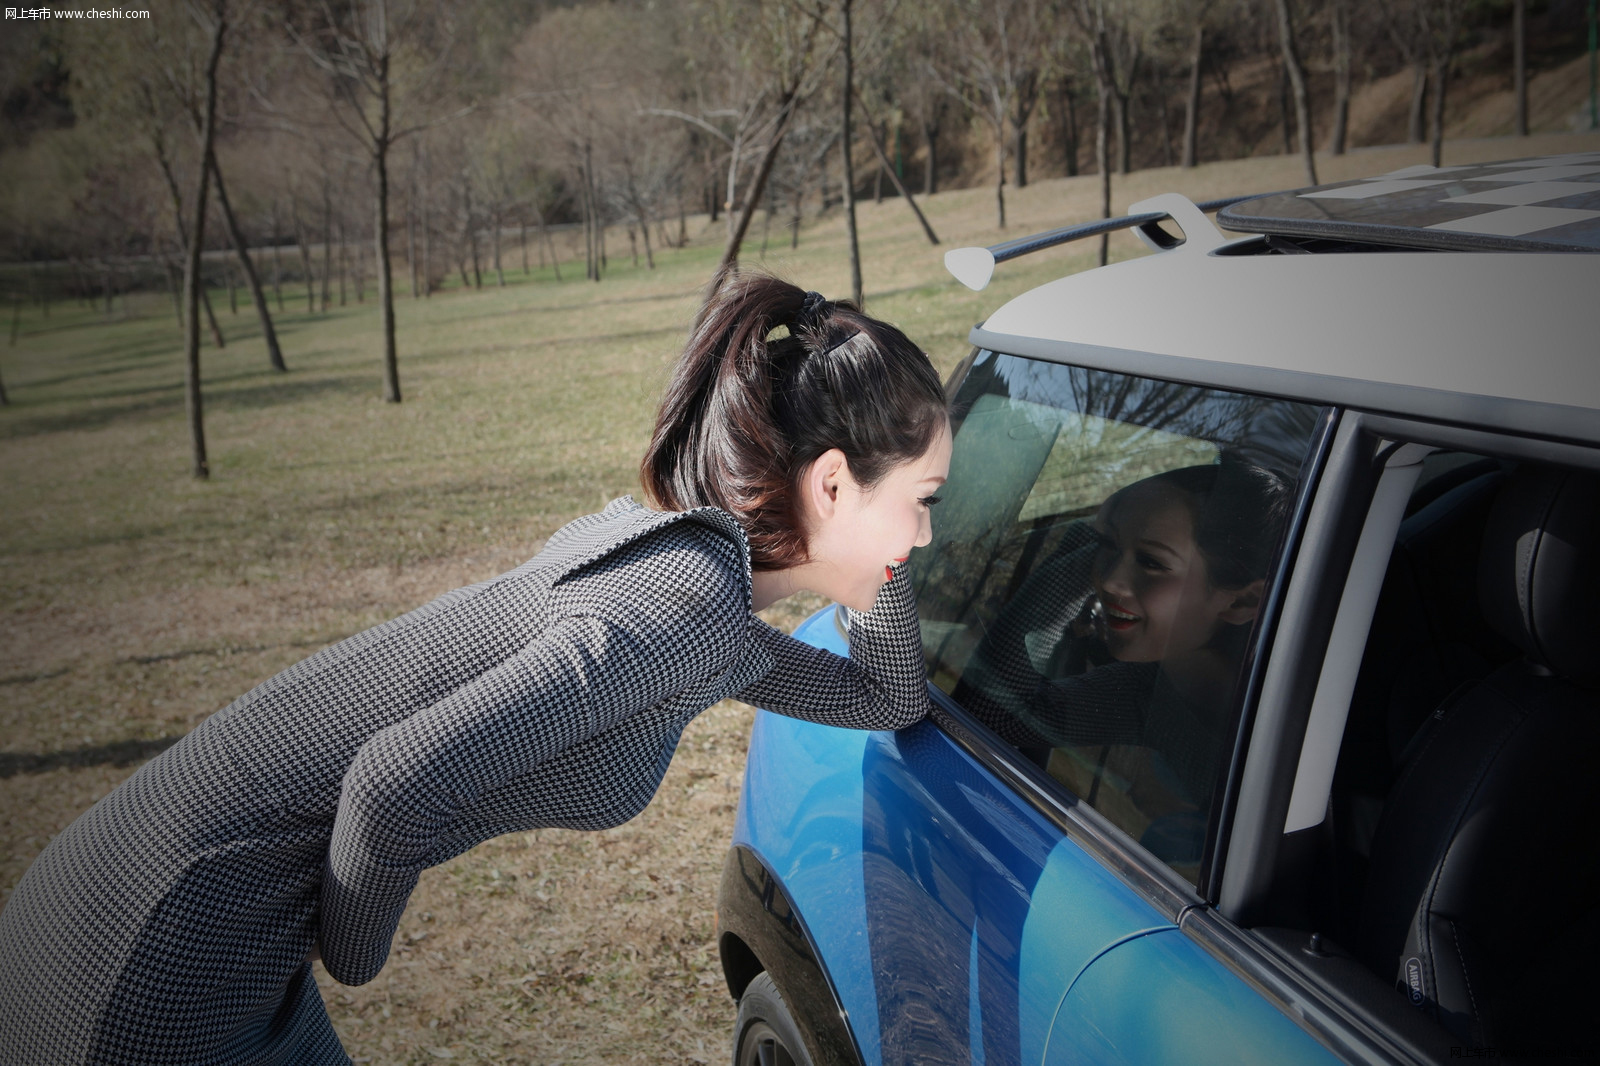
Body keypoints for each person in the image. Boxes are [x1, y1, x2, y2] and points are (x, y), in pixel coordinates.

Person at [0, 275, 952, 1066]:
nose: (929, 531)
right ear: (831, 484)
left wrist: (890, 558)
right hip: (158, 949)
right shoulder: (684, 611)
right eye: (924, 499)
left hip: (161, 908)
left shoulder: (691, 586)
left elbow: (885, 695)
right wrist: (355, 957)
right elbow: (391, 784)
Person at [956, 459, 1289, 855]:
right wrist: (1085, 566)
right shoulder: (1148, 693)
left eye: (1151, 562)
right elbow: (993, 718)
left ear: (1244, 600)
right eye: (1107, 546)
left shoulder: (1281, 730)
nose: (1110, 580)